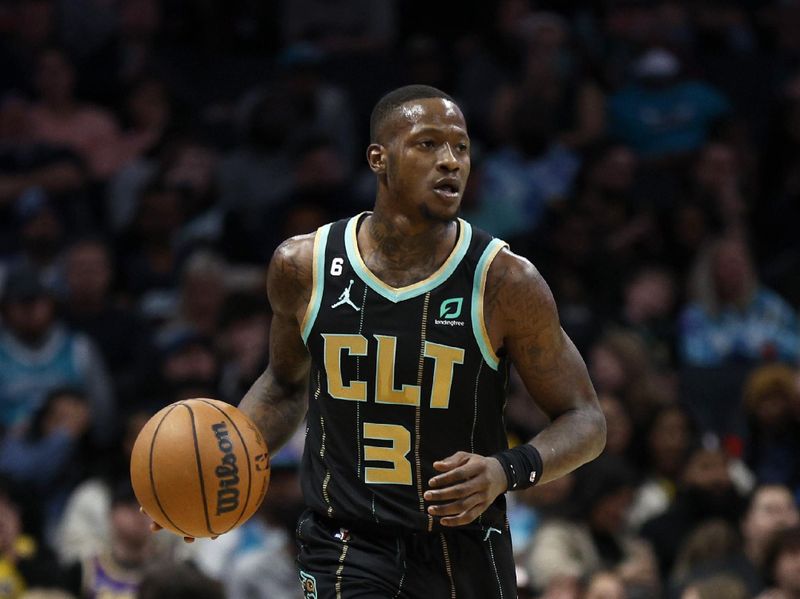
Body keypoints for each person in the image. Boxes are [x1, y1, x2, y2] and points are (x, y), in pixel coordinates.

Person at [148, 84, 606, 596]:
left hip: (464, 545)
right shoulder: (304, 265)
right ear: (378, 158)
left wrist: (506, 470)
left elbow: (586, 418)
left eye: (461, 147)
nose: (450, 161)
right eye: (428, 144)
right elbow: (282, 386)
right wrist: (210, 475)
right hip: (345, 542)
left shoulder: (504, 281)